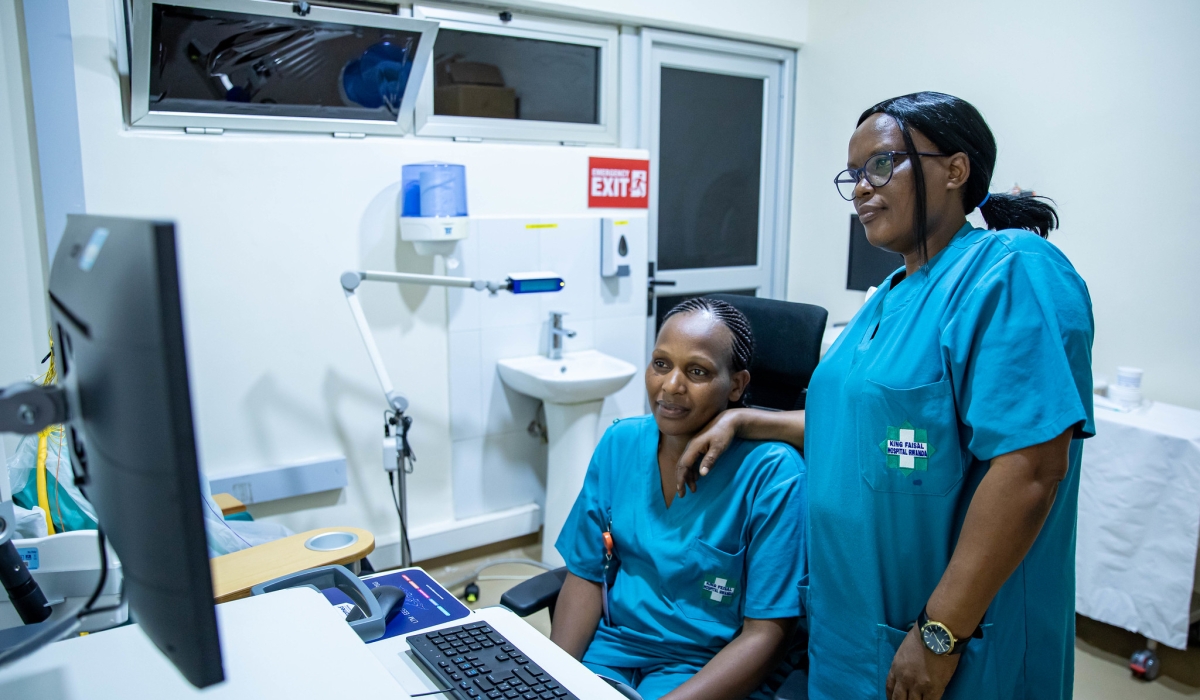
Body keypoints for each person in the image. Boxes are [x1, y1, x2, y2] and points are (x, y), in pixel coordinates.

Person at [674, 92, 1094, 700]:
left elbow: (1030, 469)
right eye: (853, 176)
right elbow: (858, 432)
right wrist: (745, 420)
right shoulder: (891, 294)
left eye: (881, 165)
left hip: (953, 641)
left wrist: (940, 633)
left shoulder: (1011, 270)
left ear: (954, 169)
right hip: (854, 627)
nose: (863, 189)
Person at [551, 298, 807, 700]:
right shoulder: (622, 443)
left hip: (702, 671)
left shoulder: (772, 474)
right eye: (661, 364)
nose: (671, 386)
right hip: (612, 653)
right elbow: (585, 572)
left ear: (737, 385)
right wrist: (554, 679)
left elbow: (766, 634)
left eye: (698, 371)